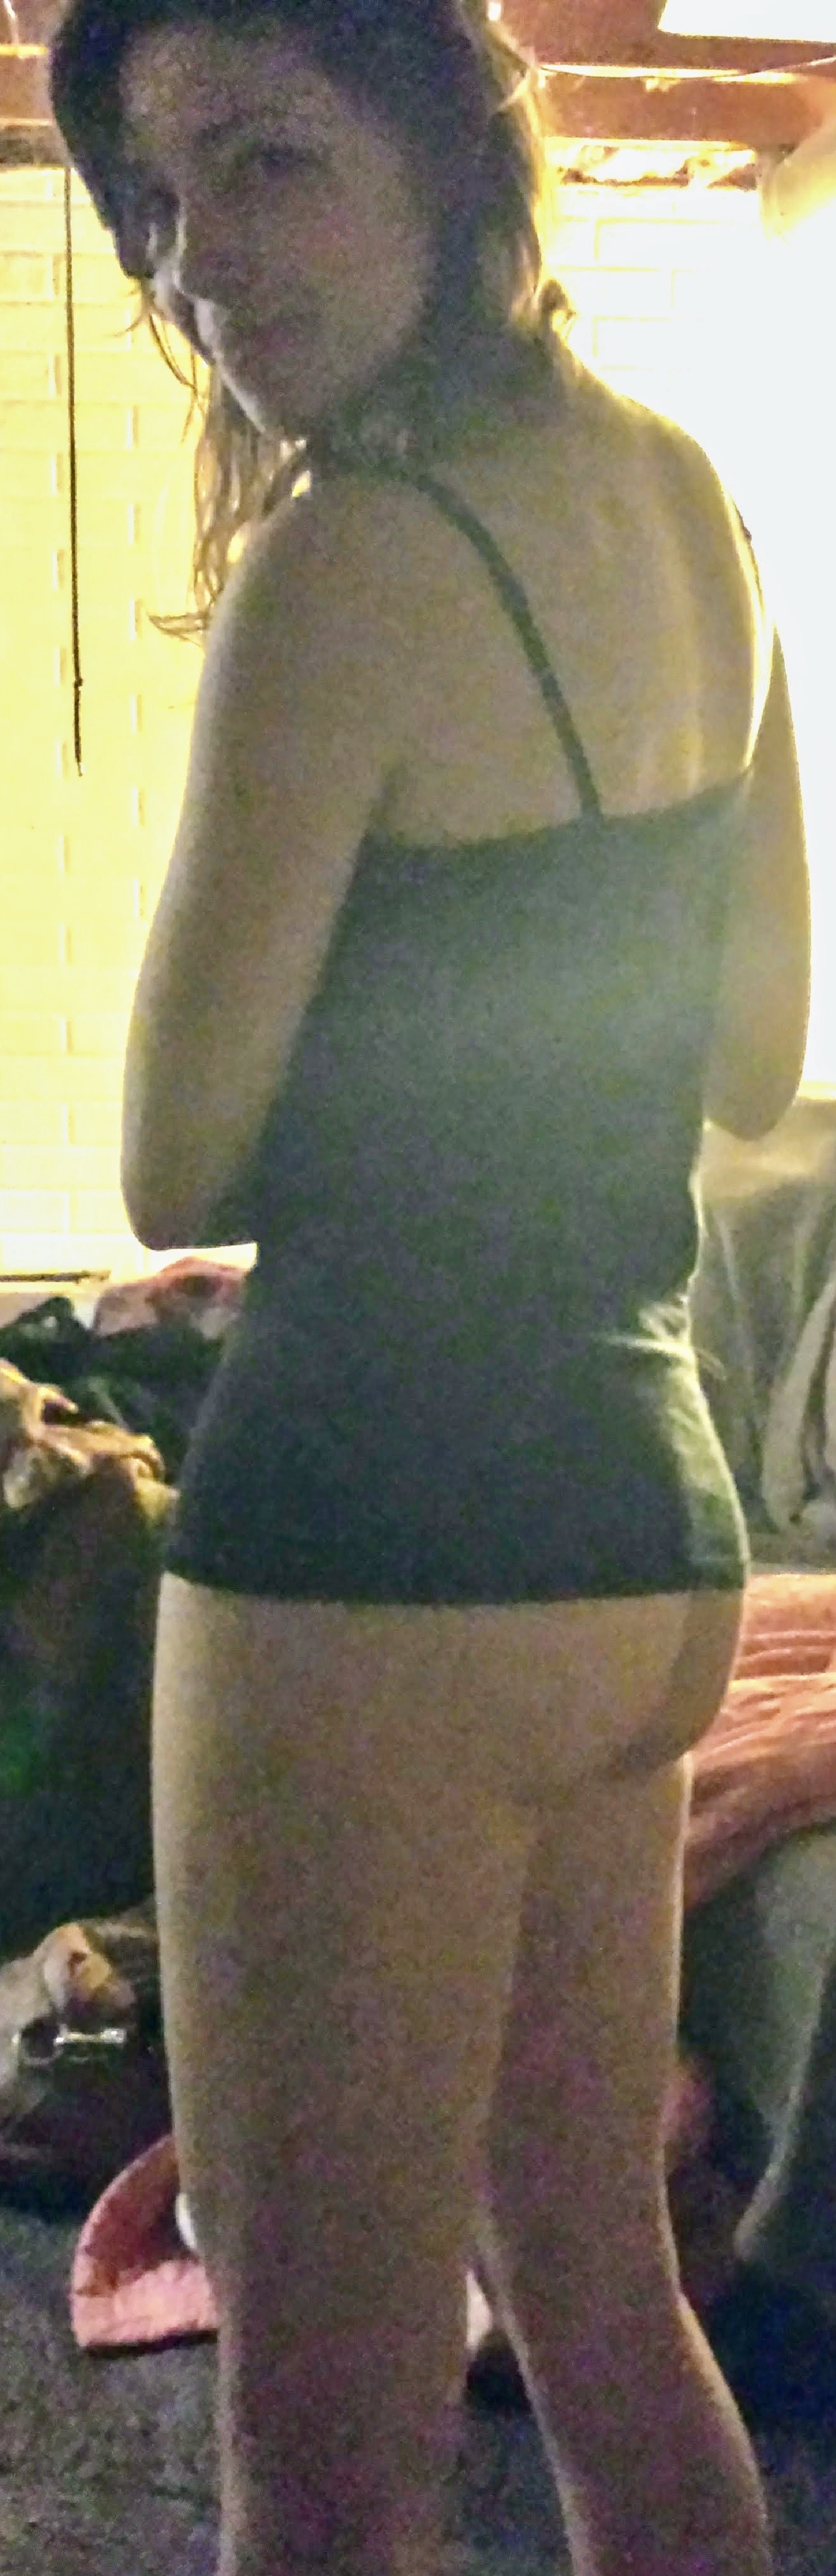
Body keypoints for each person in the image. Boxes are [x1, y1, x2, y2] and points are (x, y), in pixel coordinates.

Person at [48, 4, 810, 2572]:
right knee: (605, 2305)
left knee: (321, 2444)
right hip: (635, 1529)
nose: (204, 260)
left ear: (448, 150)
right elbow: (747, 1055)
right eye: (159, 200)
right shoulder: (687, 492)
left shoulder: (350, 561)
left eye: (269, 161)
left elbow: (176, 1144)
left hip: (371, 1549)